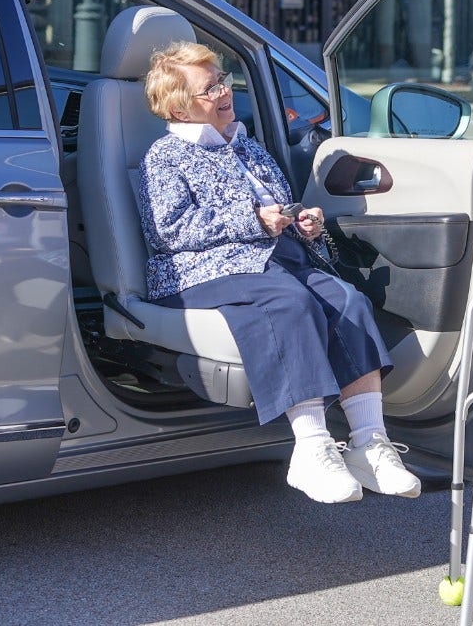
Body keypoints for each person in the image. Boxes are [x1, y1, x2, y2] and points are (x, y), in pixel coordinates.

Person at [135, 41, 421, 505]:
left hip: (273, 258)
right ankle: (310, 450)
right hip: (201, 270)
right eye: (210, 88)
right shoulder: (164, 156)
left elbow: (277, 205)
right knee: (290, 302)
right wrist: (254, 218)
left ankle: (370, 443)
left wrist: (300, 221)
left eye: (223, 81)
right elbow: (167, 230)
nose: (225, 92)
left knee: (348, 300)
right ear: (179, 106)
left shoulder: (247, 146)